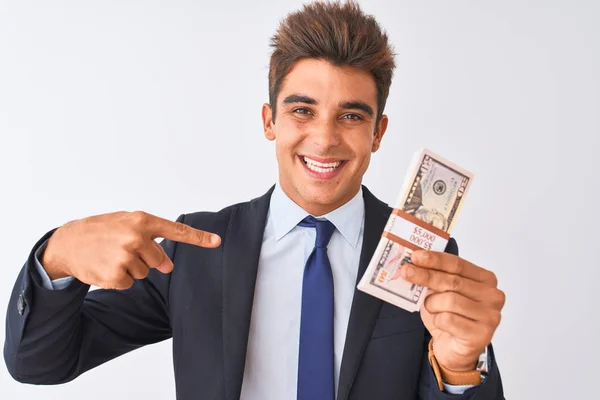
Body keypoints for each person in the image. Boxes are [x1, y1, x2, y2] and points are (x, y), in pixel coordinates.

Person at [4, 1, 505, 399]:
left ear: (378, 132)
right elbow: (40, 364)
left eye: (351, 116)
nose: (325, 139)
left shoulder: (425, 257)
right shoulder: (195, 253)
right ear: (270, 121)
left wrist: (460, 369)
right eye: (302, 110)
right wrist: (60, 254)